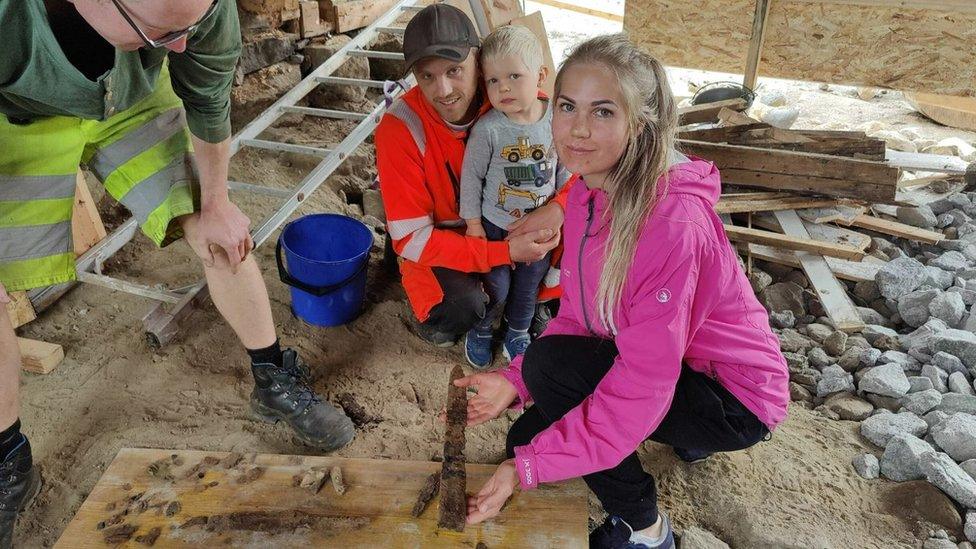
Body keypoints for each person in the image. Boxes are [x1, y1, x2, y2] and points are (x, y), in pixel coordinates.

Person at [0, 1, 355, 542]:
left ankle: (272, 377)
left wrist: (214, 203)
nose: (183, 46)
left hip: (128, 101)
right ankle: (8, 459)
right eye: (163, 31)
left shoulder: (195, 9)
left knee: (216, 231)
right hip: (13, 123)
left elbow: (208, 100)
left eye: (191, 28)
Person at [454, 34, 790, 549]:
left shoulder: (671, 222)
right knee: (523, 434)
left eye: (604, 112)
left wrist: (531, 466)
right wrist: (515, 382)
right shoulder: (592, 188)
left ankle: (647, 531)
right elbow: (581, 318)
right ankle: (674, 438)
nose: (578, 128)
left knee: (549, 395)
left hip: (735, 397)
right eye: (567, 106)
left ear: (642, 124)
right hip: (673, 360)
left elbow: (641, 383)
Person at [375, 4, 568, 349]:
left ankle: (532, 304)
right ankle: (455, 321)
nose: (444, 90)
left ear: (477, 61)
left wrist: (558, 208)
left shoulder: (513, 101)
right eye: (427, 76)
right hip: (445, 239)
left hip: (514, 222)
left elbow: (575, 172)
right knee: (461, 307)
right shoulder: (399, 128)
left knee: (584, 227)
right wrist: (503, 253)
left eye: (454, 70)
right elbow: (411, 237)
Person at [458, 26, 571, 369]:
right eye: (492, 81)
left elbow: (564, 169)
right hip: (495, 226)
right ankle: (481, 328)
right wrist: (474, 224)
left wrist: (559, 208)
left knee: (527, 287)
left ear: (540, 75)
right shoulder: (489, 129)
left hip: (538, 230)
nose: (503, 87)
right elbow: (472, 178)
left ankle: (517, 330)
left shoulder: (555, 119)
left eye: (514, 76)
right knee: (497, 287)